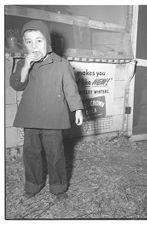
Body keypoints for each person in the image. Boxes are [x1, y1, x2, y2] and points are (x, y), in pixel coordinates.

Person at [10, 20, 84, 199]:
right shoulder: (23, 63)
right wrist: (26, 67)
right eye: (29, 42)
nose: (34, 46)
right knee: (31, 152)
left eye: (39, 41)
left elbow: (70, 89)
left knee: (55, 153)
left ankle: (58, 187)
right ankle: (33, 184)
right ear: (24, 45)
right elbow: (17, 85)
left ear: (48, 42)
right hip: (31, 116)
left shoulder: (61, 64)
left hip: (53, 116)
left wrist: (77, 109)